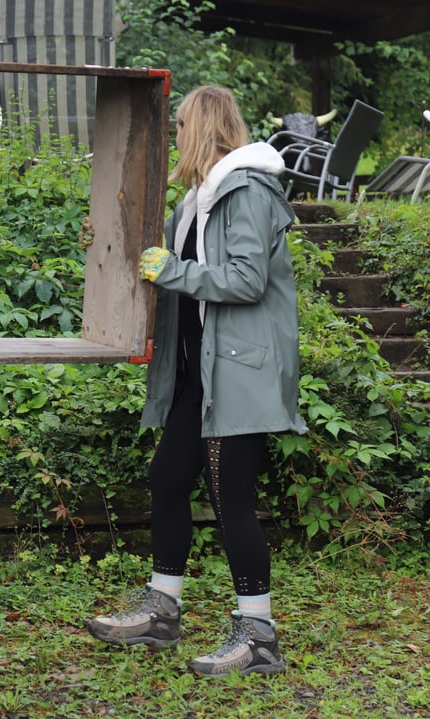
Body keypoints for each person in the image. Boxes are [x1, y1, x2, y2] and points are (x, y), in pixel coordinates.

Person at [86, 85, 308, 676]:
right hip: (198, 369)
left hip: (239, 369)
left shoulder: (248, 192)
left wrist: (175, 270)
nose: (174, 134)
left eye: (179, 123)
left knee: (230, 497)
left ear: (204, 127)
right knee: (167, 480)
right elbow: (160, 265)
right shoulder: (196, 201)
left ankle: (259, 638)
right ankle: (163, 612)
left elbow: (245, 279)